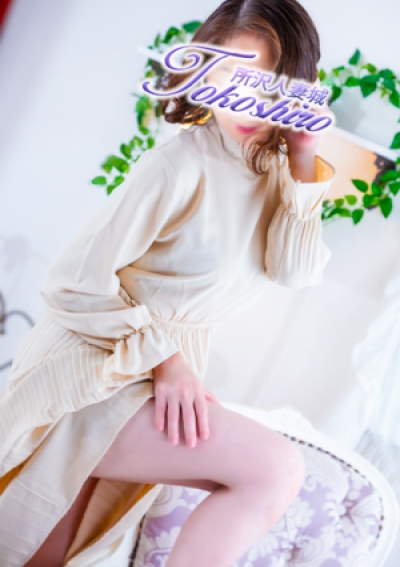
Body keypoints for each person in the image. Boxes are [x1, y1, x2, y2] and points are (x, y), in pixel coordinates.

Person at [0, 0, 336, 565]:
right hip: (97, 366)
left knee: (47, 554)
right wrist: (168, 360)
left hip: (152, 375)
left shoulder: (278, 176)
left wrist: (304, 156)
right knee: (274, 470)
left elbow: (296, 270)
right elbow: (73, 284)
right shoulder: (179, 163)